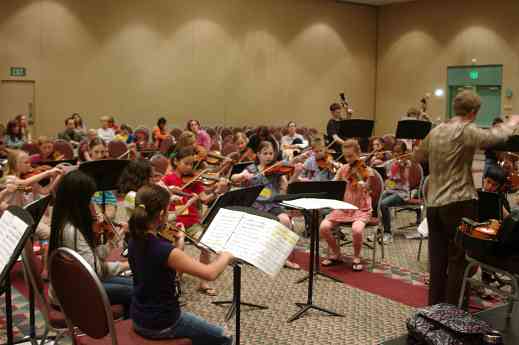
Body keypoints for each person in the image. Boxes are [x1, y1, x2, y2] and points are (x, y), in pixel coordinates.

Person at [413, 90, 519, 306]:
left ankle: (433, 309)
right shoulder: (466, 130)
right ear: (473, 112)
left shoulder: (437, 131)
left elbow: (418, 156)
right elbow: (494, 138)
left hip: (433, 203)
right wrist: (511, 122)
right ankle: (453, 313)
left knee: (437, 261)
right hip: (459, 202)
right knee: (459, 260)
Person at [128, 184, 233, 344]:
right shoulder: (164, 250)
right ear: (162, 213)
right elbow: (210, 273)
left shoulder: (134, 238)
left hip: (138, 316)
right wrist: (226, 256)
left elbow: (167, 272)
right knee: (224, 337)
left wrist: (180, 243)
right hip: (162, 322)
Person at [48, 170, 132, 318]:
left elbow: (91, 258)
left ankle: (129, 320)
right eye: (90, 199)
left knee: (132, 283)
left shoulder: (65, 220)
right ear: (79, 201)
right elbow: (94, 270)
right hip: (73, 294)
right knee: (136, 291)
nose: (93, 205)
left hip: (75, 283)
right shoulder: (71, 231)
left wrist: (113, 240)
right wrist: (125, 265)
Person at [162, 147, 228, 295]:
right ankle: (174, 280)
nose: (189, 167)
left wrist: (217, 191)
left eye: (192, 164)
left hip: (192, 223)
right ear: (176, 162)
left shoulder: (195, 181)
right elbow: (158, 196)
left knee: (206, 245)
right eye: (186, 163)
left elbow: (205, 199)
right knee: (177, 246)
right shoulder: (167, 179)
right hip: (172, 222)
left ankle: (203, 282)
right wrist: (168, 191)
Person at [230, 140, 302, 269]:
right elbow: (233, 178)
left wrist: (296, 173)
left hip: (271, 204)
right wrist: (242, 175)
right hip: (254, 204)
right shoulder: (251, 169)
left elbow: (287, 188)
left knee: (285, 220)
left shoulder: (277, 170)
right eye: (265, 153)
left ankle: (282, 257)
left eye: (271, 153)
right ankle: (249, 254)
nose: (268, 156)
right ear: (258, 154)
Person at [319, 140, 372, 271]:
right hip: (344, 207)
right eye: (346, 156)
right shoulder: (343, 169)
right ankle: (336, 253)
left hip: (361, 208)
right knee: (323, 227)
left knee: (357, 230)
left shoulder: (366, 169)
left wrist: (364, 184)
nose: (348, 159)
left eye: (351, 156)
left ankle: (356, 257)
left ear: (358, 154)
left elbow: (369, 187)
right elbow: (332, 184)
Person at [376, 141, 413, 243]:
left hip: (402, 193)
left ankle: (388, 233)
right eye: (394, 152)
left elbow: (405, 179)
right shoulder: (390, 163)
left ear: (404, 152)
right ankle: (379, 228)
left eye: (399, 152)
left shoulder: (406, 163)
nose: (396, 154)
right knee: (376, 201)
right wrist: (375, 162)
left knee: (384, 204)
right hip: (390, 190)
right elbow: (386, 179)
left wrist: (401, 167)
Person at [88, 138, 118, 221]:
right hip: (91, 199)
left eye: (102, 152)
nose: (99, 156)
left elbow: (114, 189)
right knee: (99, 218)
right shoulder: (84, 167)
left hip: (108, 197)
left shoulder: (110, 166)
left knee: (108, 218)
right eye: (96, 152)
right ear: (90, 151)